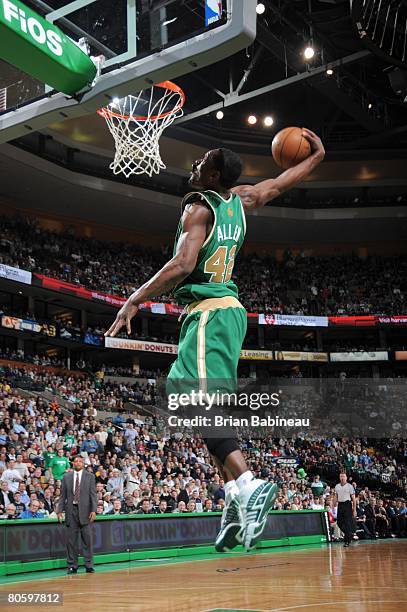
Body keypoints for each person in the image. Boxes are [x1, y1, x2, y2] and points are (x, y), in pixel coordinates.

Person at [105, 133, 325, 552]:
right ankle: (234, 502)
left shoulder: (197, 206)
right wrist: (317, 157)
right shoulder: (240, 200)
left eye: (202, 161)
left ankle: (248, 483)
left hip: (210, 311)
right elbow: (279, 183)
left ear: (214, 174)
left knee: (192, 403)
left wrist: (134, 298)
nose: (194, 165)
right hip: (222, 315)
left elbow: (183, 264)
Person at [57, 455, 97, 574]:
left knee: (87, 540)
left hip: (86, 512)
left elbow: (93, 495)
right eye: (76, 461)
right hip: (71, 511)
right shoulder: (66, 477)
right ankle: (72, 565)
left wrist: (94, 510)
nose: (78, 463)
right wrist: (59, 511)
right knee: (71, 541)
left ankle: (89, 565)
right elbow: (62, 496)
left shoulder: (90, 476)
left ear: (83, 463)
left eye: (80, 461)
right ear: (73, 463)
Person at [334, 472, 356, 547]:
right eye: (341, 476)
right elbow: (336, 496)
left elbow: (353, 499)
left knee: (347, 522)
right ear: (339, 478)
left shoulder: (349, 486)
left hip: (347, 504)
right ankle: (349, 534)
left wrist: (354, 509)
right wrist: (334, 504)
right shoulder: (337, 486)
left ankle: (347, 541)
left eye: (343, 476)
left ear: (346, 478)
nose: (342, 478)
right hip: (340, 504)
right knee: (339, 522)